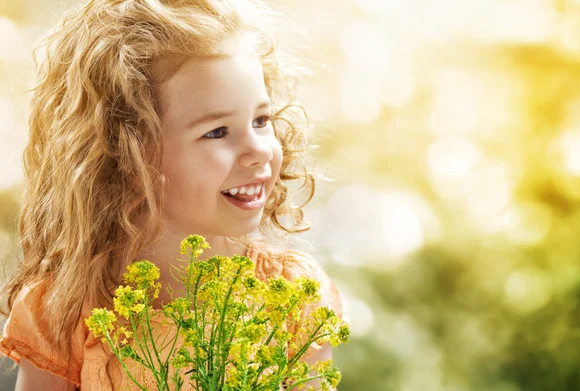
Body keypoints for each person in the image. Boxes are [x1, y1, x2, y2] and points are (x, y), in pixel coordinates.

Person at [0, 0, 344, 390]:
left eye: (261, 120)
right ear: (127, 156)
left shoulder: (293, 299)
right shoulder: (64, 312)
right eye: (216, 132)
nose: (261, 150)